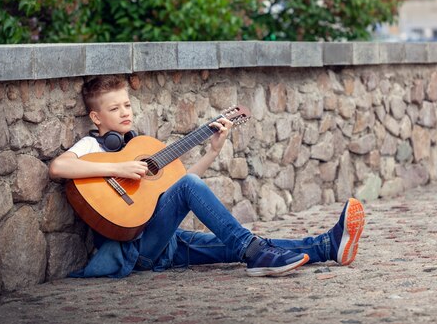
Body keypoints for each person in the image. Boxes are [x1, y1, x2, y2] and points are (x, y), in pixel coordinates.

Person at [49, 75, 365, 278]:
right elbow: (59, 167)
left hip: (167, 244)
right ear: (96, 116)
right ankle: (256, 254)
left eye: (127, 105)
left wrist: (212, 151)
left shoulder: (139, 146)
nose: (124, 112)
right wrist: (117, 168)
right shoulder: (93, 145)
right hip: (136, 251)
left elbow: (181, 188)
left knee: (235, 243)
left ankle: (327, 245)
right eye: (114, 108)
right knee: (244, 243)